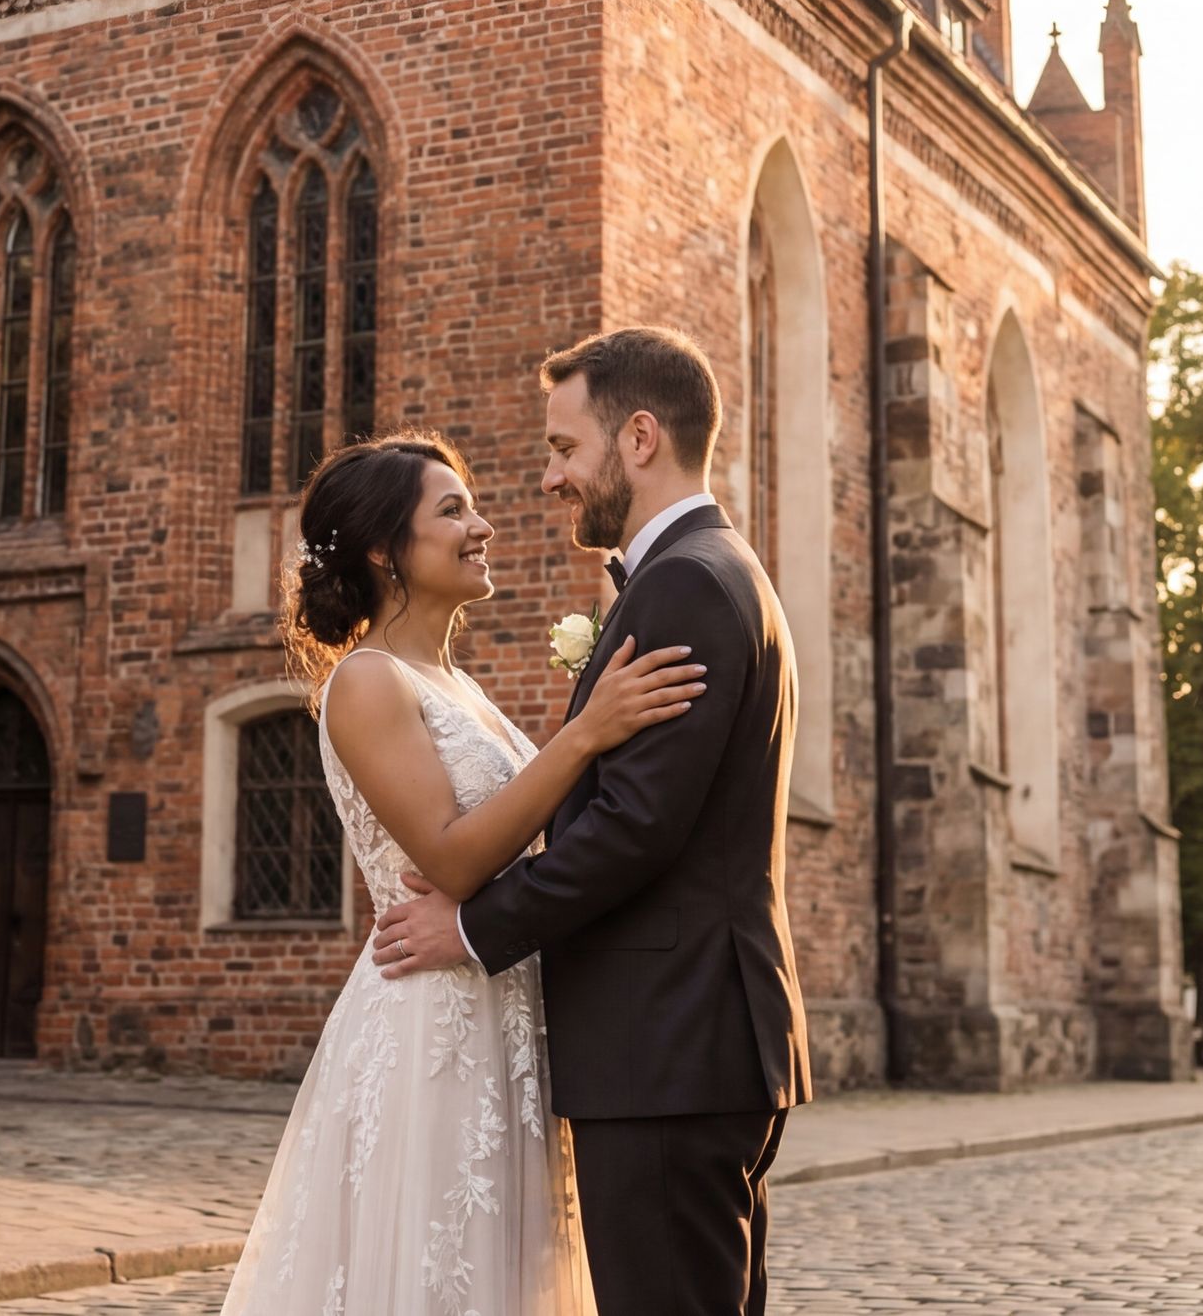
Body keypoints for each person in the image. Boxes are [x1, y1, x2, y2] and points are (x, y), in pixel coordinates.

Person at [374, 328, 812, 1316]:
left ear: (641, 438)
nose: (549, 478)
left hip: (669, 1043)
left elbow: (635, 826)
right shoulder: (706, 569)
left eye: (566, 449)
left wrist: (472, 926)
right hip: (690, 1040)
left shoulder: (689, 583)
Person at [220, 431, 705, 1315]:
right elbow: (451, 853)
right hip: (428, 1016)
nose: (481, 525)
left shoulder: (456, 684)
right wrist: (587, 733)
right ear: (381, 547)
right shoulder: (367, 679)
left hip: (503, 1003)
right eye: (452, 510)